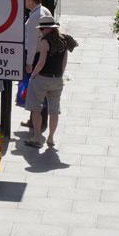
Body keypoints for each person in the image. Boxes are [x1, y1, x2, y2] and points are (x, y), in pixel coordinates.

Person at [24, 16, 77, 149]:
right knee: (54, 110)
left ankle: (36, 137)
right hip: (57, 79)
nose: (40, 31)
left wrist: (32, 76)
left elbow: (41, 63)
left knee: (36, 108)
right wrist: (60, 75)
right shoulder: (64, 40)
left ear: (47, 29)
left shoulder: (45, 42)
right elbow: (64, 60)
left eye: (41, 29)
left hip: (42, 79)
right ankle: (51, 138)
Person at [19, 0, 53, 129]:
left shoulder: (35, 17)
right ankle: (35, 120)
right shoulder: (43, 10)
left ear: (32, 1)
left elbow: (32, 42)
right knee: (37, 90)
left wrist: (28, 63)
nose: (24, 1)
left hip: (34, 56)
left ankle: (37, 121)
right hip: (41, 54)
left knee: (34, 89)